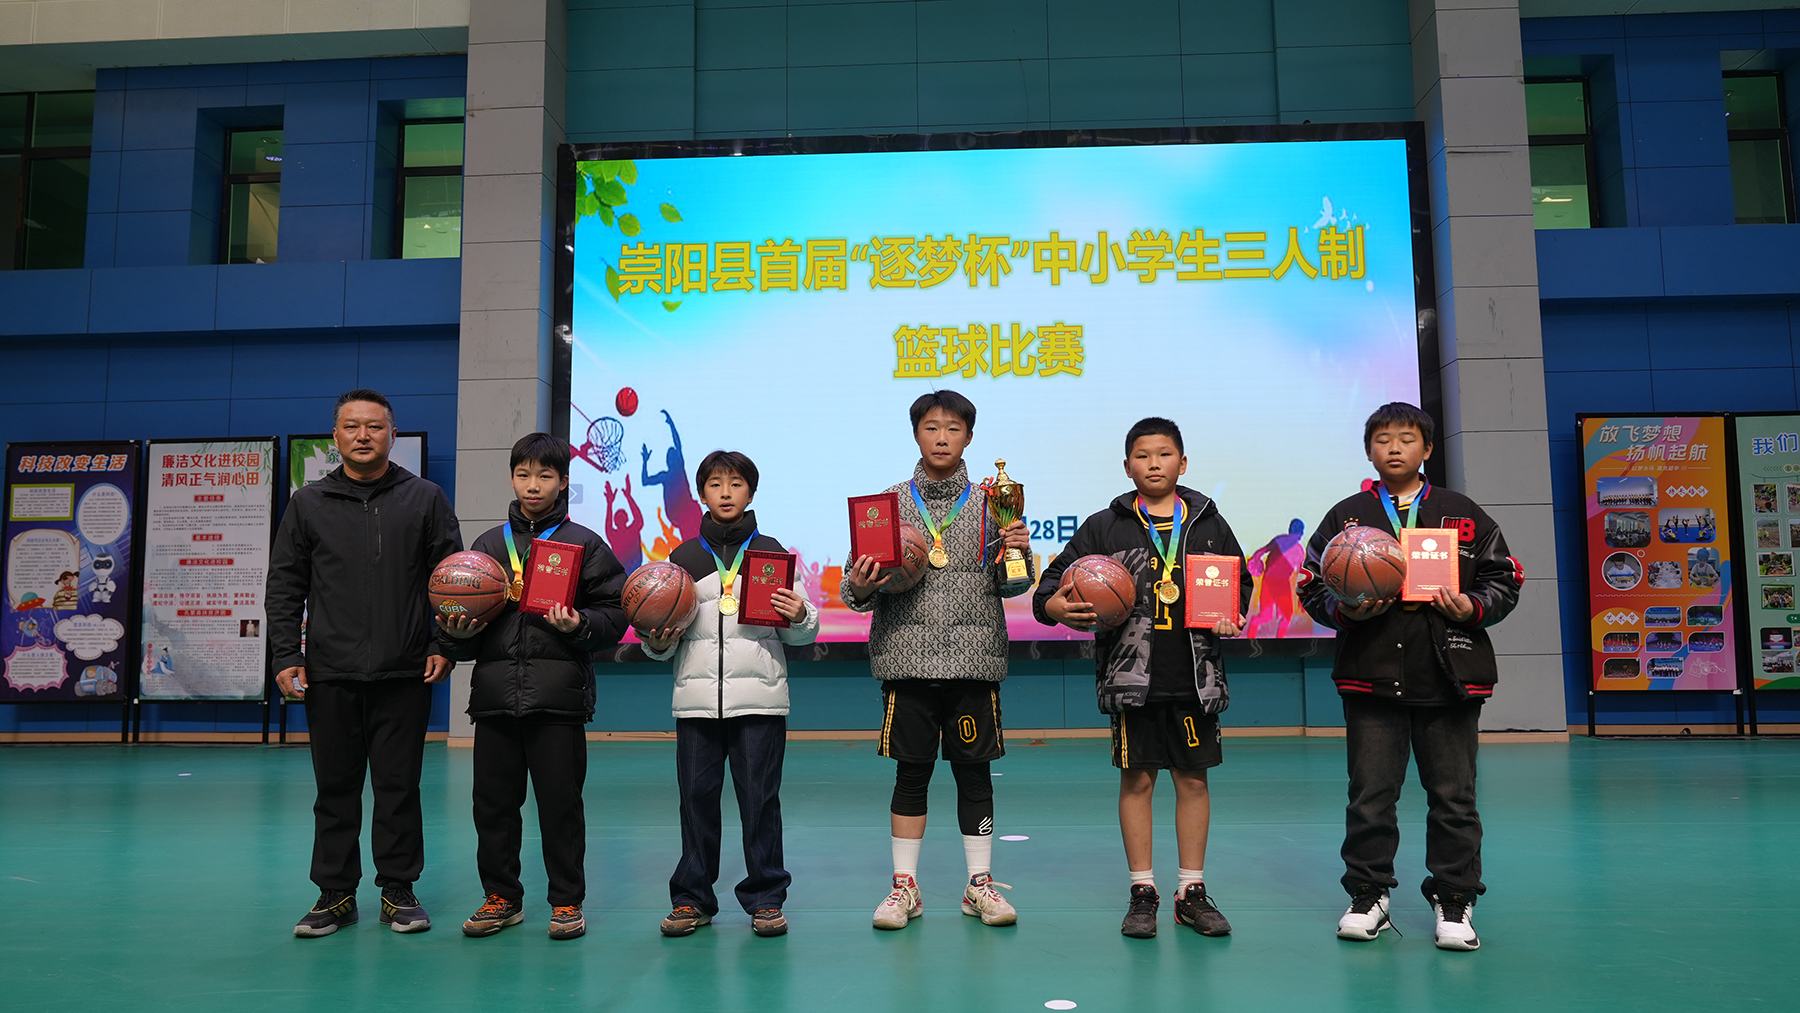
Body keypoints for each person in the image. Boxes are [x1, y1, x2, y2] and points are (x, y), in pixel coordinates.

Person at [1296, 402, 1523, 952]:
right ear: (1368, 450)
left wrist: (1472, 606)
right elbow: (1309, 583)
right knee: (1370, 797)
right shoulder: (1347, 517)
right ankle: (1368, 895)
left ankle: (1455, 899)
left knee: (1454, 798)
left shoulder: (1461, 513)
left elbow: (1505, 577)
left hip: (1448, 677)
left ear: (1427, 449)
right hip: (1371, 676)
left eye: (1405, 438)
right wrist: (1346, 611)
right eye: (1382, 440)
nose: (1394, 448)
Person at [1033, 417, 1251, 939]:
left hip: (1196, 677)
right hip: (1133, 681)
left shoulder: (1208, 522)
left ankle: (1191, 891)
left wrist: (1233, 612)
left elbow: (1238, 581)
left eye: (1165, 454)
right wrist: (1057, 607)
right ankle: (1143, 891)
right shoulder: (1103, 527)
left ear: (1183, 462)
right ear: (1127, 466)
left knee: (1193, 780)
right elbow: (1049, 589)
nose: (1154, 464)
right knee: (1138, 781)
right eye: (1143, 456)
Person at [267, 389, 462, 938]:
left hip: (406, 670)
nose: (362, 435)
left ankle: (398, 890)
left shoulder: (424, 498)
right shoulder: (308, 504)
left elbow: (453, 580)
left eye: (374, 426)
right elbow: (285, 585)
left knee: (399, 787)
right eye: (351, 426)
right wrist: (287, 654)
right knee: (335, 790)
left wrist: (443, 644)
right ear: (336, 436)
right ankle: (335, 894)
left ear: (391, 435)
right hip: (330, 672)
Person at [840, 390, 1034, 931]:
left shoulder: (994, 504)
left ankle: (979, 885)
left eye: (953, 428)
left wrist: (1019, 550)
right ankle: (905, 887)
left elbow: (1014, 585)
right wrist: (861, 583)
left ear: (969, 436)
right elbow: (854, 592)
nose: (942, 437)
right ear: (915, 434)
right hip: (907, 660)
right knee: (911, 774)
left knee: (975, 775)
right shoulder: (886, 505)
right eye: (931, 427)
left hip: (974, 660)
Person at [438, 433, 627, 941]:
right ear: (512, 478)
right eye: (523, 474)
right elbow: (459, 625)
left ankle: (566, 901)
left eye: (545, 475)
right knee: (493, 806)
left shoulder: (584, 543)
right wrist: (458, 633)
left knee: (559, 806)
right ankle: (501, 898)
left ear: (563, 482)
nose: (533, 485)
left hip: (557, 700)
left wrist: (580, 625)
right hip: (495, 699)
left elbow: (615, 613)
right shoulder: (487, 547)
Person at [639, 450, 819, 939]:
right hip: (696, 703)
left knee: (760, 802)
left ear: (750, 492)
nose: (725, 493)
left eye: (736, 484)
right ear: (701, 493)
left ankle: (766, 899)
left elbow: (801, 633)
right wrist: (657, 641)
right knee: (696, 802)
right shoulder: (682, 559)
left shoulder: (771, 553)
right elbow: (661, 642)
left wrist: (800, 615)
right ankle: (692, 899)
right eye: (715, 484)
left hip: (760, 701)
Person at [642, 409, 703, 542]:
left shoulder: (677, 469)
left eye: (674, 455)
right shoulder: (666, 476)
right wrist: (645, 462)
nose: (674, 457)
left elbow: (678, 444)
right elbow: (645, 481)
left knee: (696, 537)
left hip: (686, 512)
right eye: (672, 456)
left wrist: (671, 424)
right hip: (679, 514)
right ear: (668, 461)